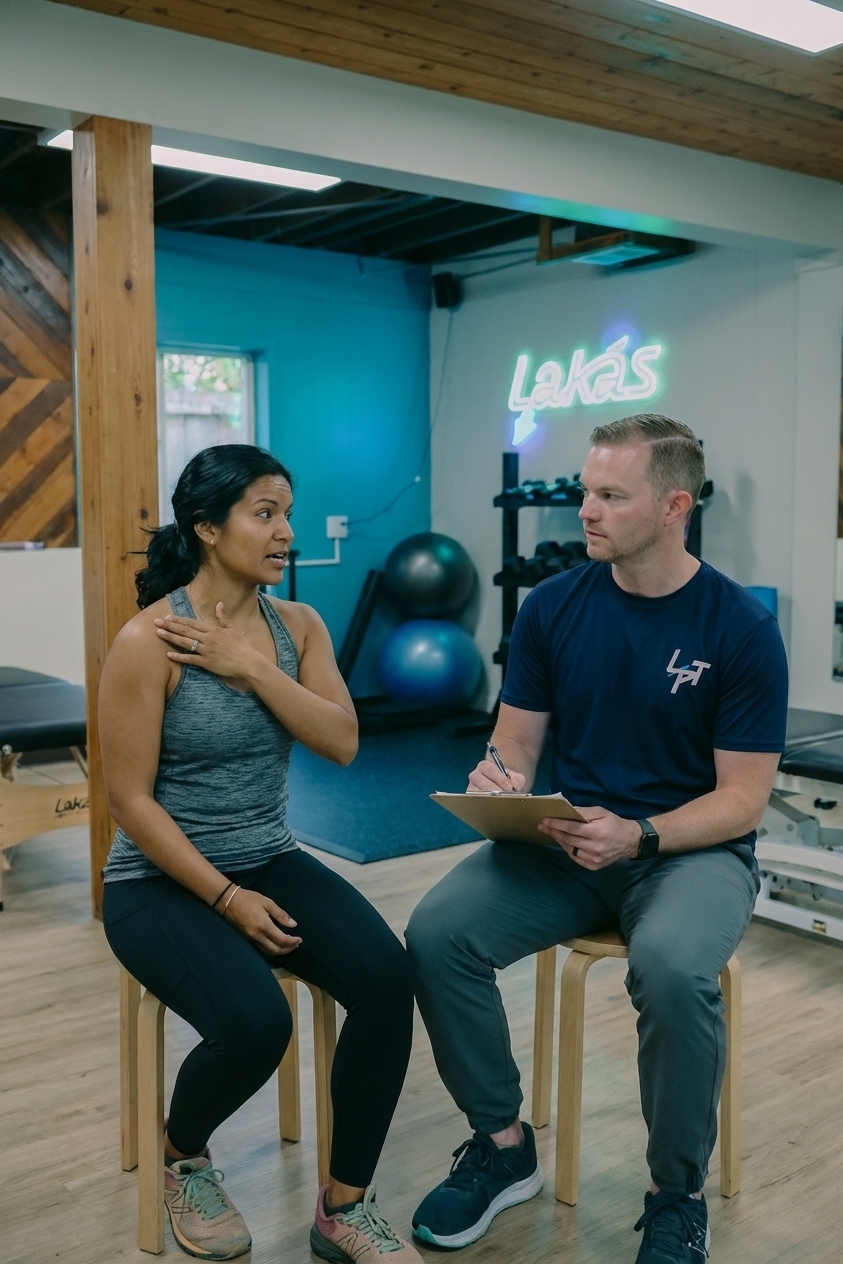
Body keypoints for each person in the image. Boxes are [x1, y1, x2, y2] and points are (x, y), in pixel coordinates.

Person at [405, 415, 788, 1264]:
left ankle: (674, 1195)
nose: (585, 510)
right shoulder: (552, 606)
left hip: (686, 853)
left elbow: (743, 801)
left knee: (674, 971)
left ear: (673, 506)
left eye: (610, 495)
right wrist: (496, 779)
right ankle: (502, 1147)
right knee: (436, 934)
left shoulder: (739, 630)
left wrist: (642, 834)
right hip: (565, 844)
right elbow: (515, 739)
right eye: (585, 490)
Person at [100, 445, 421, 1264]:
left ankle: (343, 1206)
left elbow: (342, 742)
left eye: (287, 514)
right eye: (264, 514)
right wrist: (224, 899)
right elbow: (129, 803)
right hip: (157, 880)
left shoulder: (297, 627)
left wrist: (251, 669)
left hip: (268, 854)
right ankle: (184, 1155)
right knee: (255, 1021)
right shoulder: (148, 640)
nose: (285, 534)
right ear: (207, 529)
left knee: (387, 982)